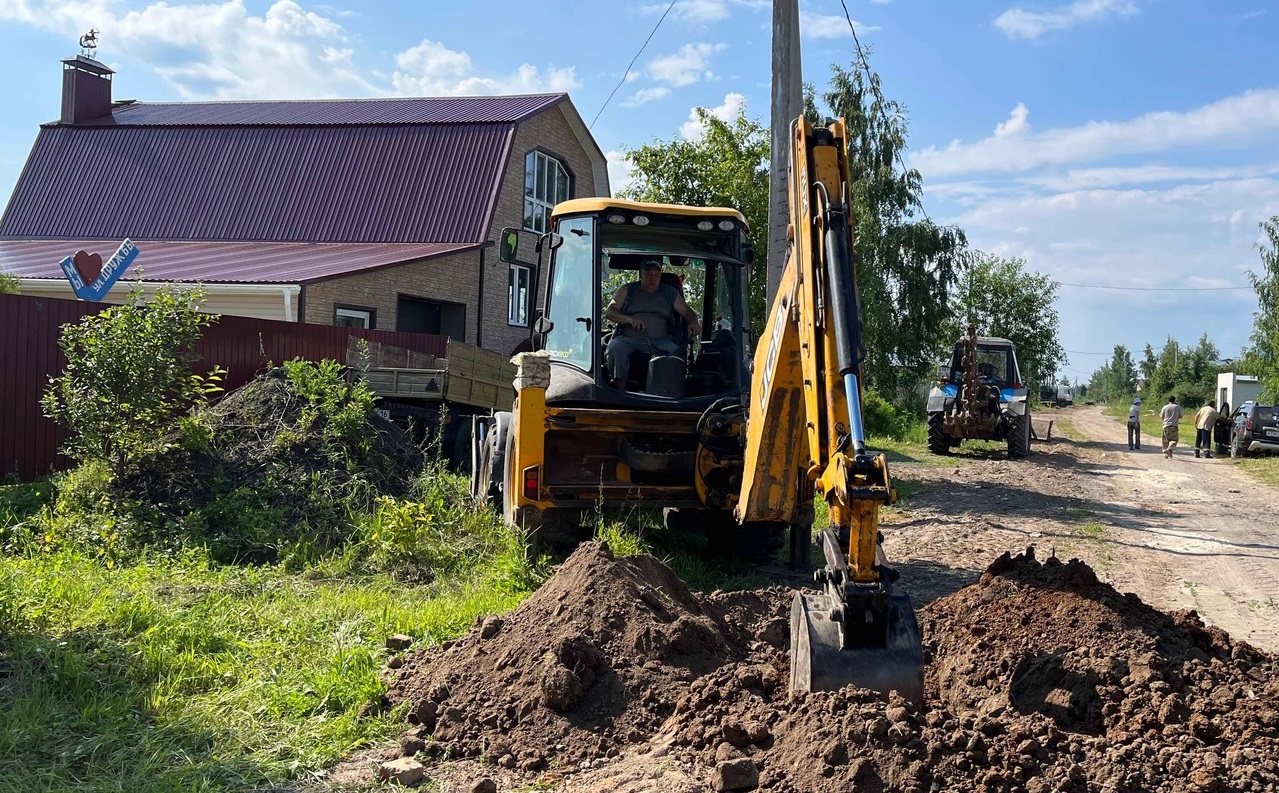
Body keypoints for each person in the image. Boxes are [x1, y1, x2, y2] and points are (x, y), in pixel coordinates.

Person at [604, 259, 701, 391]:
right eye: (648, 274)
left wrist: (693, 322)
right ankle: (621, 393)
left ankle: (668, 396)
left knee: (675, 353)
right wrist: (629, 319)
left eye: (656, 275)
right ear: (641, 274)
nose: (652, 279)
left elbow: (688, 312)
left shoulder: (670, 293)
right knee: (615, 348)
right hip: (628, 340)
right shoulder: (627, 290)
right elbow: (610, 312)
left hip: (661, 341)